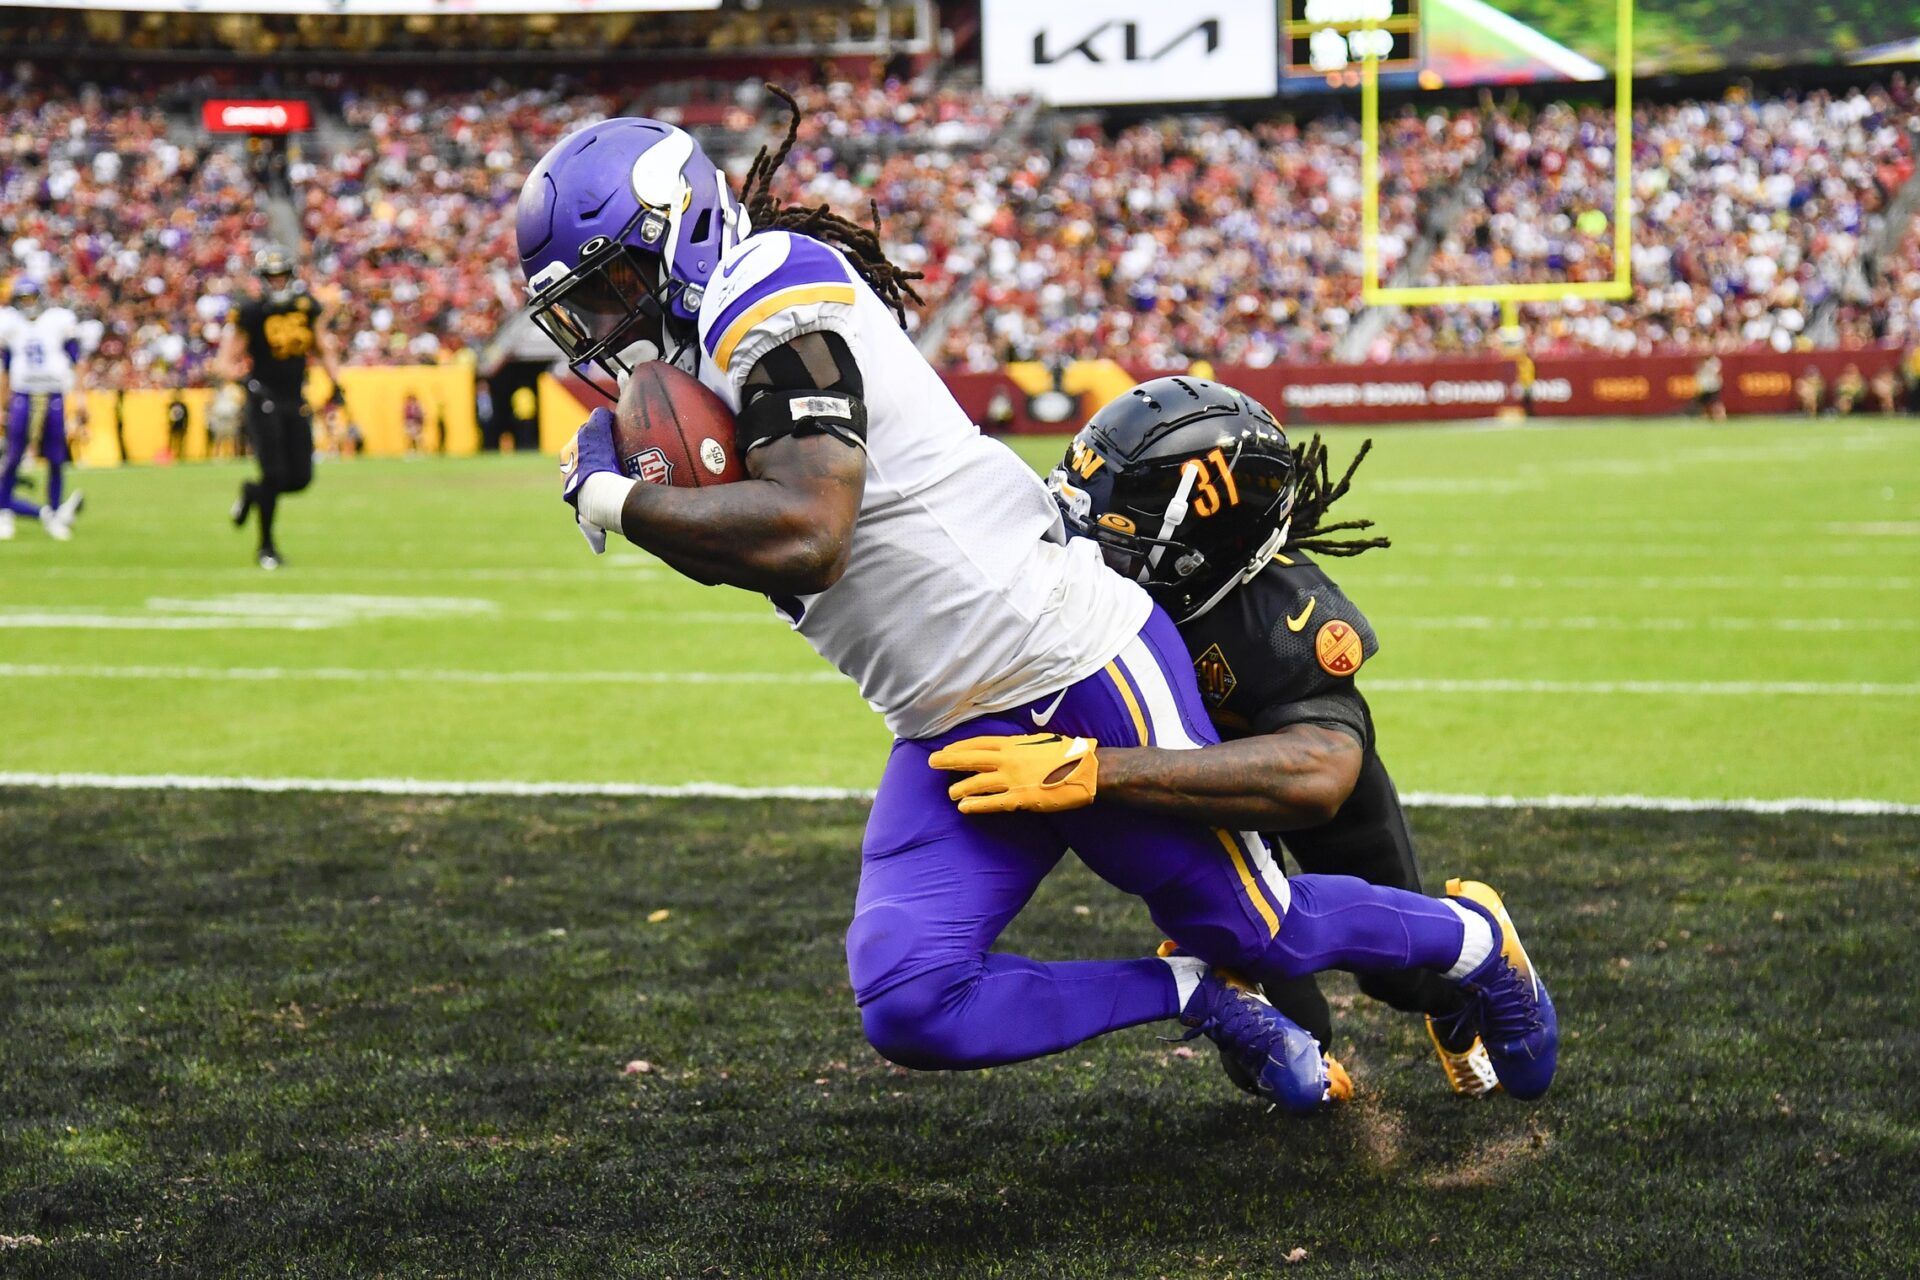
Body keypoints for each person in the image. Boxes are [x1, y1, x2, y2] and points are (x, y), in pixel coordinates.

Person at [520, 97, 1557, 1111]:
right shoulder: (698, 359)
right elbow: (754, 553)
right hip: (942, 718)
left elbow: (811, 530)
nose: (605, 325)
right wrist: (650, 496)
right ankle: (1192, 993)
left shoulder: (766, 282)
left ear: (684, 230)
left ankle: (1476, 943)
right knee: (910, 998)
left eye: (613, 284)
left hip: (1072, 657)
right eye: (584, 307)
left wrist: (620, 496)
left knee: (1267, 929)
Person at [959, 378, 1494, 1095]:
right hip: (1186, 796)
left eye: (1120, 525)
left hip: (1260, 780)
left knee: (1404, 971)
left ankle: (1461, 1007)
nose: (1084, 540)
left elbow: (1321, 774)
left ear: (1201, 546)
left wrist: (1100, 769)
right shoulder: (1078, 587)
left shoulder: (1282, 615)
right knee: (1271, 1017)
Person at [214, 244, 347, 569]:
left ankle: (251, 492)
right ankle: (266, 547)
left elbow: (322, 345)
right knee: (273, 474)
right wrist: (245, 383)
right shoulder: (252, 312)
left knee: (300, 478)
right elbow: (223, 363)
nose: (276, 282)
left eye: (281, 275)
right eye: (271, 277)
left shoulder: (305, 307)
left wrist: (336, 382)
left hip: (295, 399)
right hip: (263, 400)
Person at [0, 279, 87, 541]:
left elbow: (77, 359)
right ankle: (9, 512)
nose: (28, 303)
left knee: (56, 457)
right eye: (23, 298)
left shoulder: (57, 321)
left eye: (31, 297)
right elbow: (5, 368)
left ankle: (54, 511)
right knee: (13, 457)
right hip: (23, 395)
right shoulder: (10, 324)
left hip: (51, 394)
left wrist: (81, 397)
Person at [165, 390, 190, 461]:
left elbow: (186, 417)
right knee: (171, 442)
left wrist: (186, 426)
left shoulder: (183, 405)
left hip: (181, 425)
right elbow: (169, 416)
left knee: (181, 442)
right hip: (173, 426)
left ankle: (180, 456)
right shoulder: (172, 404)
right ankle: (170, 456)